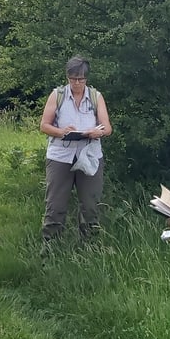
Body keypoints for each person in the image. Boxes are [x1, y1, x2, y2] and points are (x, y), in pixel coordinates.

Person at [38, 56, 113, 241]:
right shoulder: (58, 95)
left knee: (90, 205)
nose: (76, 83)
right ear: (67, 77)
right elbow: (44, 126)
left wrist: (98, 132)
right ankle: (50, 248)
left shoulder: (96, 97)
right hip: (60, 156)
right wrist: (62, 131)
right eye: (72, 79)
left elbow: (108, 128)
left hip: (89, 155)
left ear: (86, 78)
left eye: (80, 79)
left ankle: (90, 247)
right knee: (55, 205)